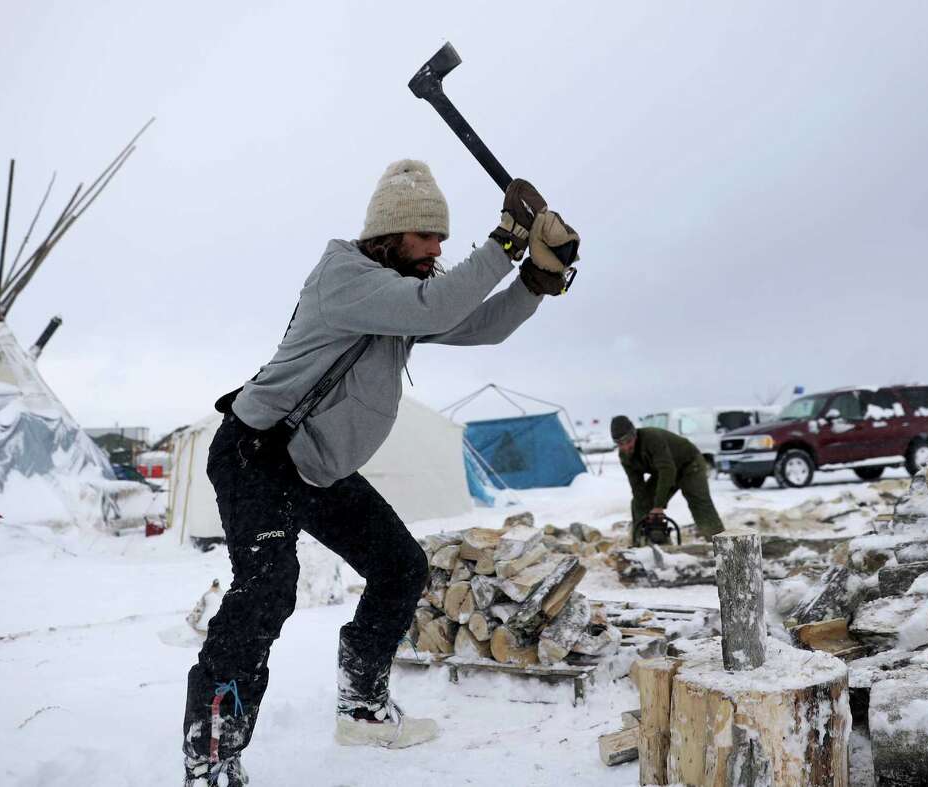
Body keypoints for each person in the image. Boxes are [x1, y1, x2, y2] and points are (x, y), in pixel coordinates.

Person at [182, 160, 579, 786]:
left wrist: (536, 277)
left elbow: (479, 323)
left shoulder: (401, 302)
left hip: (315, 467)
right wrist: (507, 241)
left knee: (400, 568)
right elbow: (438, 303)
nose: (437, 249)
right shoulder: (345, 277)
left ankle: (362, 707)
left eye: (442, 238)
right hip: (255, 454)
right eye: (426, 236)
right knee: (266, 590)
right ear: (389, 235)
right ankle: (211, 755)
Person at [611, 415, 724, 546]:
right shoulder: (625, 457)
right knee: (639, 502)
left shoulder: (652, 438)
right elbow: (637, 487)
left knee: (699, 503)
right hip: (665, 470)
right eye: (620, 443)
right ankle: (645, 544)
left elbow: (667, 471)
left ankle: (721, 546)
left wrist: (658, 506)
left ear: (635, 435)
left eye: (628, 441)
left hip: (689, 464)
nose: (625, 447)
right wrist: (646, 506)